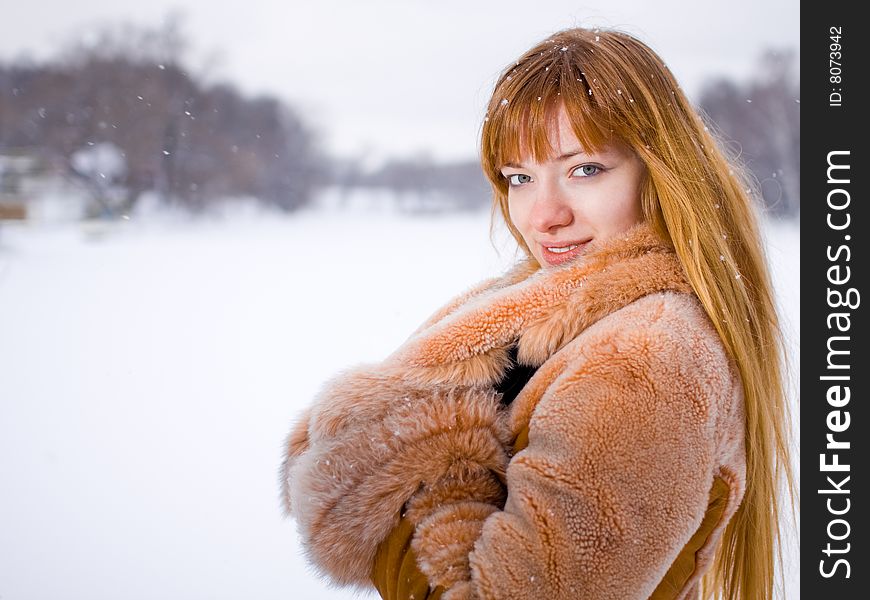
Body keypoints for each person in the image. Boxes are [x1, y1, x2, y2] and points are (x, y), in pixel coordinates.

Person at [280, 26, 795, 600]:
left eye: (585, 169)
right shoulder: (540, 306)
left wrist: (423, 456)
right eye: (519, 178)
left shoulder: (647, 360)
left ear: (659, 171)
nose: (543, 215)